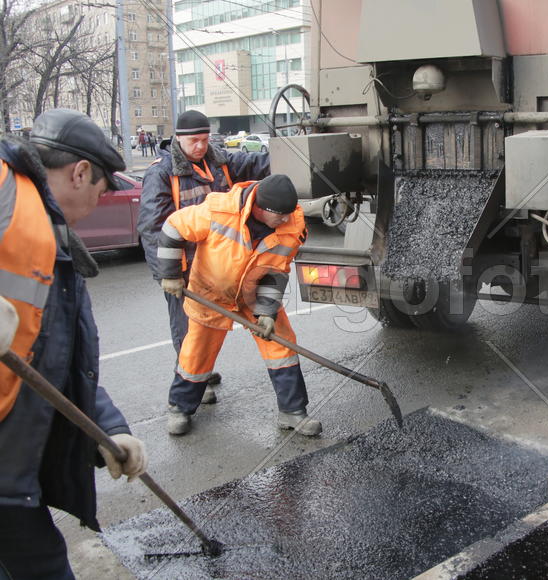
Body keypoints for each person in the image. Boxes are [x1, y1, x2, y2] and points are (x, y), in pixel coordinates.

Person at [0, 109, 147, 578]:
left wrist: (107, 427)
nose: (99, 204)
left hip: (10, 470)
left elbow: (55, 360)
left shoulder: (50, 235)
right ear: (80, 172)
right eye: (103, 192)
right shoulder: (6, 190)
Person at [156, 174, 320, 437]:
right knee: (196, 352)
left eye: (289, 214)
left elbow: (276, 271)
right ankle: (180, 408)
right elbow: (173, 227)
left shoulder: (292, 226)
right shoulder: (218, 210)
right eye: (280, 215)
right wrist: (171, 273)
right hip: (210, 293)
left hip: (254, 294)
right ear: (259, 208)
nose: (286, 220)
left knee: (281, 345)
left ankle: (292, 412)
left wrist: (265, 313)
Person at [138, 111, 270, 405]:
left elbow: (255, 164)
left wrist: (289, 156)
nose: (200, 146)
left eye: (205, 139)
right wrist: (167, 274)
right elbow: (152, 228)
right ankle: (191, 383)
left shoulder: (218, 161)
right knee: (186, 328)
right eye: (194, 141)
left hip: (213, 264)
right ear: (178, 139)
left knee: (208, 326)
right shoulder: (161, 173)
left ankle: (202, 372)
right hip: (182, 267)